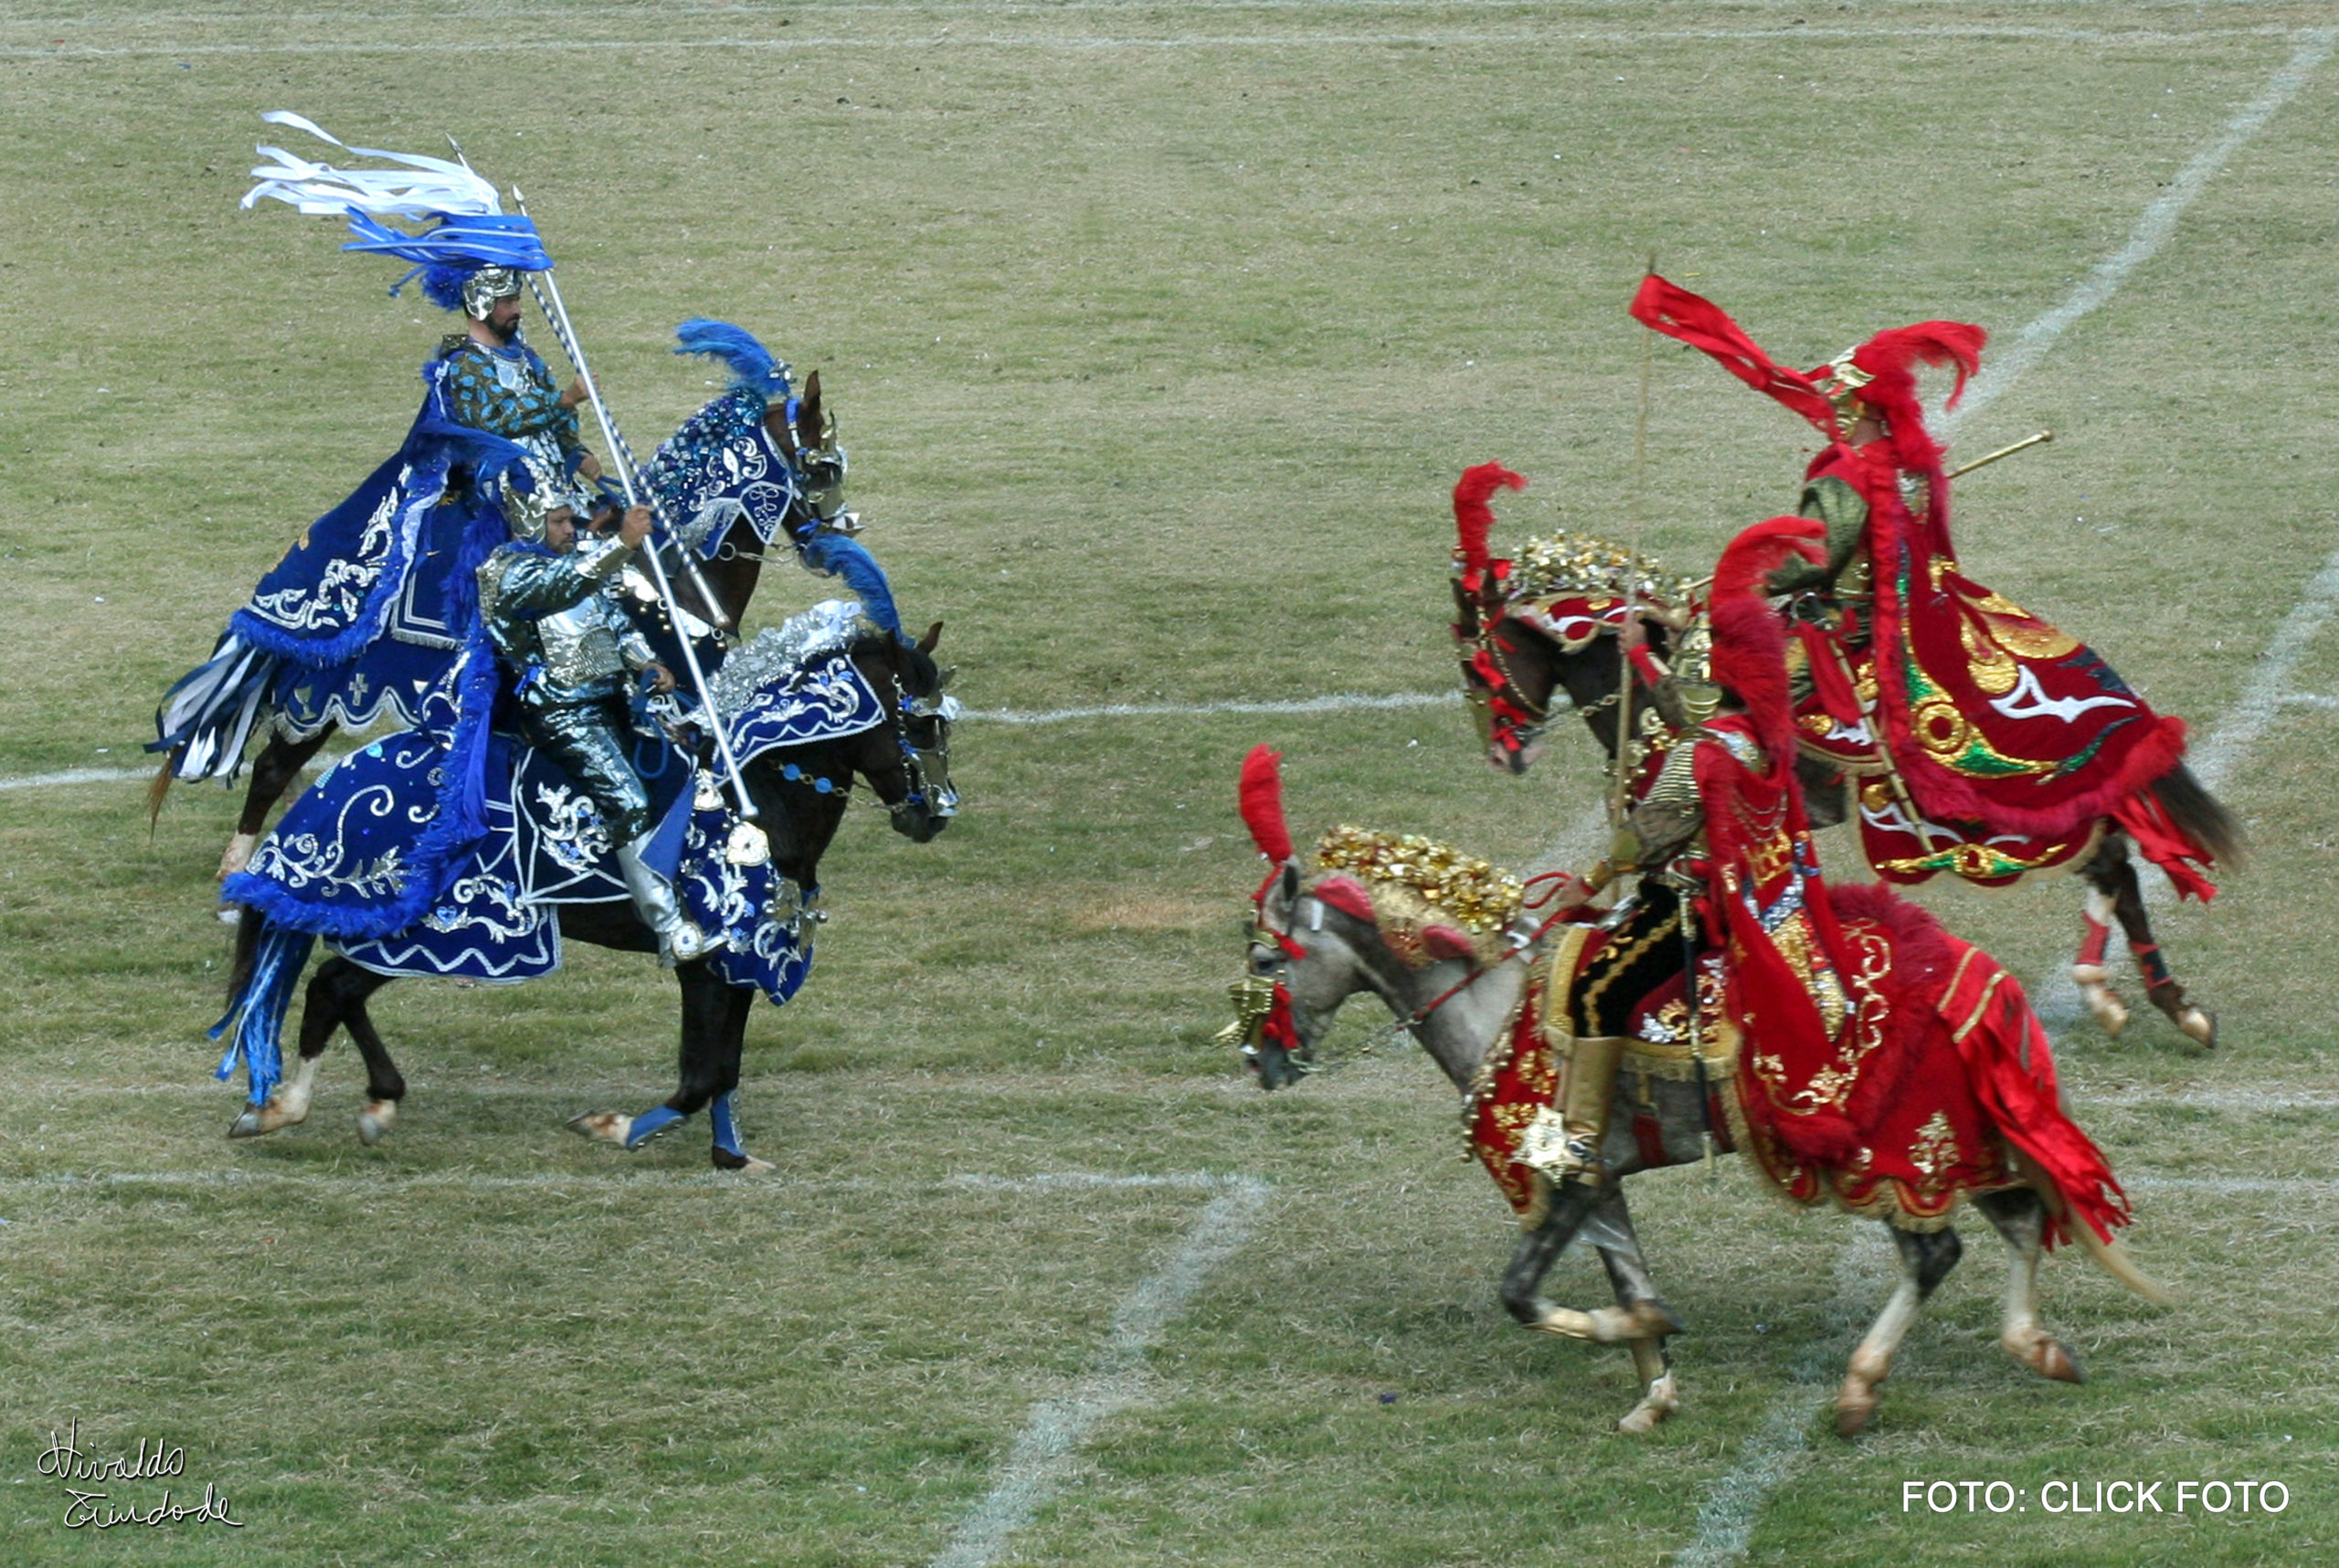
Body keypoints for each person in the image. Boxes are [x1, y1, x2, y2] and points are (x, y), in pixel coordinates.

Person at [476, 470, 712, 963]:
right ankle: (667, 926)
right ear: (529, 522)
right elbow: (564, 588)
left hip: (615, 700)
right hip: (561, 713)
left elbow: (615, 623)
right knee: (627, 801)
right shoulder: (510, 573)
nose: (569, 530)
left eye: (571, 520)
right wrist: (623, 543)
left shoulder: (577, 558)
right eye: (559, 521)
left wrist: (645, 660)